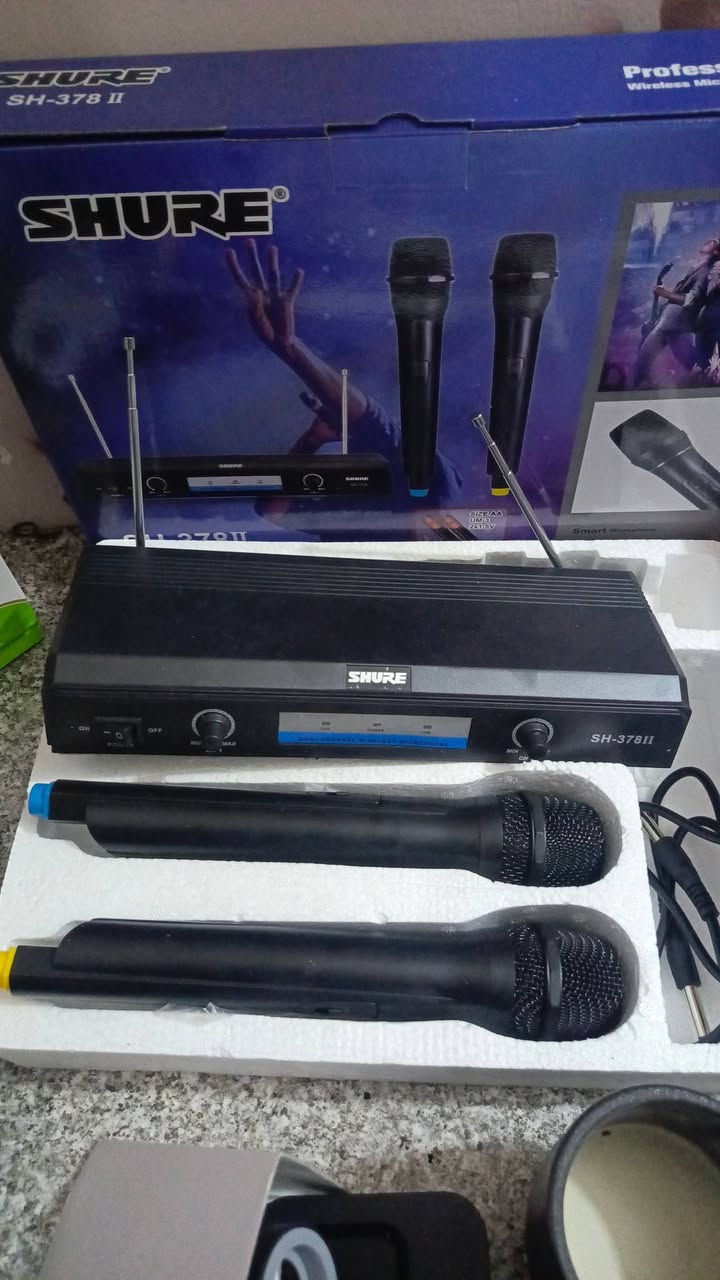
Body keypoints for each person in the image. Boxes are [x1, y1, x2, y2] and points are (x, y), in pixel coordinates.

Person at [226, 240, 462, 538]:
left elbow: (364, 415)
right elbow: (273, 509)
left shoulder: (429, 476)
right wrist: (311, 441)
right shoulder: (357, 498)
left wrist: (292, 350)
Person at [634, 237, 720, 389]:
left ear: (716, 252)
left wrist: (664, 293)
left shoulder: (705, 271)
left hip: (674, 323)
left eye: (715, 242)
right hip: (671, 323)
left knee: (643, 363)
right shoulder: (699, 267)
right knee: (692, 362)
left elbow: (693, 299)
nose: (710, 240)